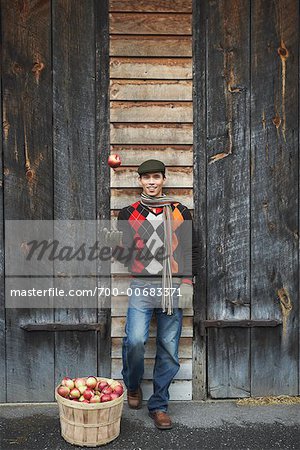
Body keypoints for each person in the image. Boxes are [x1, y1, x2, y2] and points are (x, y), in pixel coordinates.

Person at [109, 159, 199, 430]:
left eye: (156, 177)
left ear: (163, 180)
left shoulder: (180, 211)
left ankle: (159, 405)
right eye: (146, 177)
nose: (151, 182)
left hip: (172, 287)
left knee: (169, 348)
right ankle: (133, 384)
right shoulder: (128, 213)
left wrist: (186, 283)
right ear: (139, 181)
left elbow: (190, 249)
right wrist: (115, 247)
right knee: (135, 340)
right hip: (142, 286)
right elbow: (125, 257)